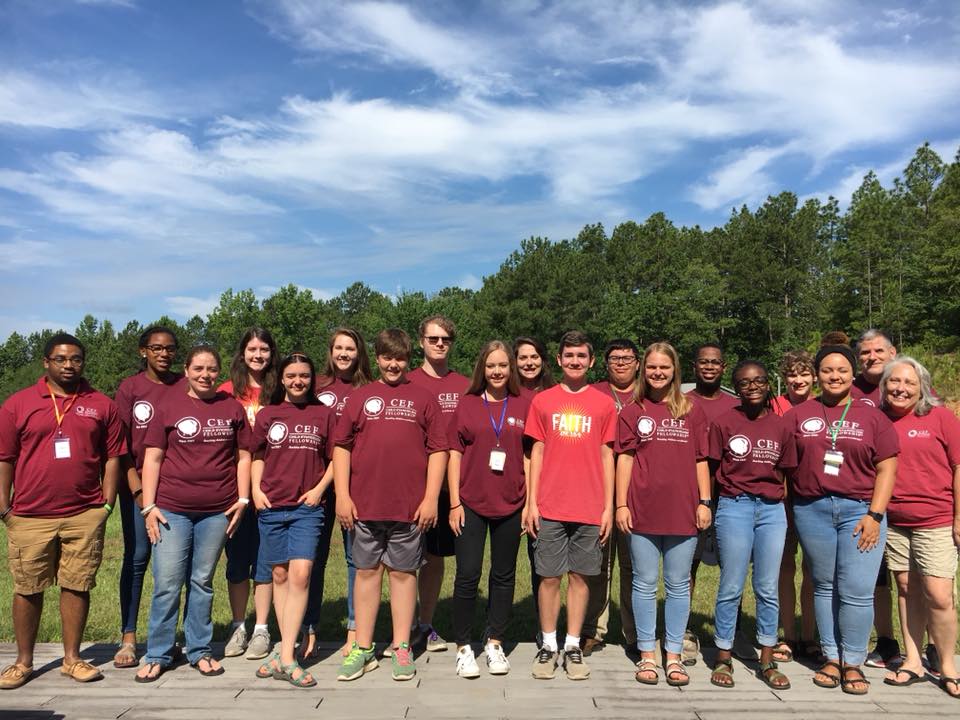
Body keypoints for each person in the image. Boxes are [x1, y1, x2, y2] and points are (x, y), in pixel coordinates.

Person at [0, 333, 125, 689]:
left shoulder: (101, 404)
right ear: (46, 362)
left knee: (77, 584)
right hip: (28, 513)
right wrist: (5, 507)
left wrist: (106, 503)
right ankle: (23, 662)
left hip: (84, 513)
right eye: (61, 359)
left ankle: (72, 659)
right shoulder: (19, 404)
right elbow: (4, 458)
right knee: (28, 587)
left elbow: (113, 456)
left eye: (76, 359)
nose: (69, 365)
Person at [333, 328, 447, 682]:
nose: (393, 364)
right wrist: (342, 494)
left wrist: (431, 498)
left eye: (399, 358)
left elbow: (439, 450)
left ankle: (401, 646)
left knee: (402, 574)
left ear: (408, 359)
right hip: (364, 505)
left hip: (409, 508)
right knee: (366, 574)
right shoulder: (360, 397)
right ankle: (364, 647)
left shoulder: (424, 398)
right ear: (377, 358)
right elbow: (341, 447)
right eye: (387, 357)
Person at [784, 344, 898, 695]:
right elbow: (785, 465)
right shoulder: (800, 414)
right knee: (824, 584)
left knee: (858, 591)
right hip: (812, 509)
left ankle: (854, 661)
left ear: (853, 374)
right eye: (828, 371)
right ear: (817, 375)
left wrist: (875, 515)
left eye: (842, 370)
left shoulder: (873, 415)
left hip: (860, 510)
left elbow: (887, 467)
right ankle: (831, 657)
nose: (835, 376)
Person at [135, 345, 251, 682]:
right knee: (168, 583)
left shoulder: (232, 407)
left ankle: (199, 650)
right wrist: (149, 506)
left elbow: (244, 456)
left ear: (220, 372)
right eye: (198, 368)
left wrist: (242, 500)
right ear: (186, 370)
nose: (205, 375)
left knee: (202, 582)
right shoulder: (167, 405)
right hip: (171, 510)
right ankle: (159, 651)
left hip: (217, 511)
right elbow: (152, 459)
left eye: (212, 369)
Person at [616, 342, 711, 687]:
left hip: (683, 511)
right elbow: (624, 458)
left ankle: (673, 654)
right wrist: (621, 504)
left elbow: (702, 459)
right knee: (642, 583)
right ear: (644, 369)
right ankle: (646, 654)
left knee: (678, 584)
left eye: (664, 368)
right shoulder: (632, 410)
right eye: (652, 367)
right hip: (641, 510)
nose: (658, 373)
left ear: (675, 371)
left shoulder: (691, 409)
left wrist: (705, 501)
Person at [524, 330, 616, 681]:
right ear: (559, 360)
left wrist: (607, 506)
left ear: (591, 362)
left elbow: (608, 454)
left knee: (581, 577)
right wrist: (532, 502)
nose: (575, 361)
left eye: (582, 356)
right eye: (569, 356)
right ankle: (548, 645)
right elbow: (537, 452)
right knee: (548, 577)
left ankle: (573, 644)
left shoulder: (604, 404)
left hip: (590, 507)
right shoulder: (543, 401)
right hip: (550, 506)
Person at [708, 360, 796, 691]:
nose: (753, 387)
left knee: (767, 586)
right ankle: (724, 656)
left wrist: (777, 509)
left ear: (767, 384)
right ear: (737, 387)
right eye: (745, 383)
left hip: (772, 510)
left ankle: (767, 658)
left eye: (759, 380)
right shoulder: (724, 423)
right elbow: (713, 469)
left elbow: (786, 474)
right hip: (734, 507)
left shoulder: (782, 426)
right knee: (731, 585)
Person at [249, 353, 336, 687]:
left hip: (307, 507)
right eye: (292, 375)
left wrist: (319, 490)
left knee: (301, 575)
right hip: (271, 505)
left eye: (304, 375)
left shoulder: (324, 414)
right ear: (281, 379)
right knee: (280, 575)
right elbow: (257, 455)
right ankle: (286, 651)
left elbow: (336, 457)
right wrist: (256, 490)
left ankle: (286, 657)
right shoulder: (269, 415)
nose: (298, 381)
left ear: (311, 379)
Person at [448, 340, 531, 678]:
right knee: (468, 575)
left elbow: (530, 455)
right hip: (471, 502)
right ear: (482, 369)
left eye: (503, 366)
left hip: (511, 503)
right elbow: (454, 454)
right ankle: (464, 646)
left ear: (511, 369)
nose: (497, 371)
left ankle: (495, 641)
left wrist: (530, 502)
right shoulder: (466, 404)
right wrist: (453, 502)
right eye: (491, 366)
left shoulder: (524, 404)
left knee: (503, 575)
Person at [878, 357, 960, 698]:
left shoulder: (940, 418)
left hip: (937, 519)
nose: (901, 388)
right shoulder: (878, 420)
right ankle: (911, 661)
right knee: (907, 588)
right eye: (894, 382)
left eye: (909, 383)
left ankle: (948, 666)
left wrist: (959, 517)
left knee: (939, 595)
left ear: (922, 387)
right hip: (894, 521)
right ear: (884, 387)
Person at [300, 327, 373, 659]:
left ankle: (355, 630)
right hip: (314, 488)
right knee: (310, 560)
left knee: (354, 560)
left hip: (353, 487)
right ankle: (308, 630)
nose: (344, 354)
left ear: (359, 353)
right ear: (330, 351)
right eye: (339, 348)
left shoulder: (369, 390)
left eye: (351, 348)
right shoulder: (315, 387)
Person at [112, 325, 183, 669]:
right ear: (143, 351)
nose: (164, 354)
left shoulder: (184, 386)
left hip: (177, 489)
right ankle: (128, 636)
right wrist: (139, 491)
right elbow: (120, 447)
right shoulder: (131, 389)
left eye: (170, 348)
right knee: (138, 557)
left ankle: (172, 637)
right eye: (156, 348)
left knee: (174, 566)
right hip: (139, 489)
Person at [407, 315, 469, 653]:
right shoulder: (407, 381)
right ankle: (401, 628)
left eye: (446, 339)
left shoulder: (464, 384)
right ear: (421, 342)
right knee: (401, 559)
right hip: (412, 483)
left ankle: (426, 624)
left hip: (452, 488)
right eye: (433, 339)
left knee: (435, 556)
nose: (440, 344)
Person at [220, 327, 279, 661]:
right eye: (252, 349)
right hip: (234, 488)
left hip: (274, 487)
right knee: (238, 561)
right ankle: (239, 625)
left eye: (264, 349)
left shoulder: (280, 390)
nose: (258, 355)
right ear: (242, 353)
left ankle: (262, 629)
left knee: (267, 562)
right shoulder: (227, 392)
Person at [583, 339, 640, 655]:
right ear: (605, 362)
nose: (621, 363)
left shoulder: (648, 394)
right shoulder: (595, 394)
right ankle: (593, 629)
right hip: (598, 490)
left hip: (636, 493)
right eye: (615, 358)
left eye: (627, 358)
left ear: (637, 362)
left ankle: (634, 632)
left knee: (633, 566)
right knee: (597, 564)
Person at [684, 343, 739, 664]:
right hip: (692, 498)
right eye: (703, 362)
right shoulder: (683, 402)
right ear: (694, 366)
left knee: (731, 568)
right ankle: (684, 629)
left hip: (731, 497)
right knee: (686, 566)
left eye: (715, 362)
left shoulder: (735, 404)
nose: (708, 367)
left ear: (723, 366)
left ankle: (730, 631)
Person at [850, 329, 901, 669]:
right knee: (876, 578)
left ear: (893, 352)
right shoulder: (851, 390)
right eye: (865, 352)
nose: (871, 357)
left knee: (918, 582)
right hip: (867, 499)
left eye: (878, 351)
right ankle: (885, 640)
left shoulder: (907, 382)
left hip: (913, 497)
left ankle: (926, 647)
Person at [770, 350, 818, 664]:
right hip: (780, 500)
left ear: (814, 377)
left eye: (803, 374)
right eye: (791, 375)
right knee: (783, 569)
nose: (797, 380)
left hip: (814, 499)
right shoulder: (774, 406)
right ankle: (787, 635)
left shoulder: (824, 406)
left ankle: (810, 636)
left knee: (813, 571)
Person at [513, 336, 554, 624]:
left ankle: (544, 627)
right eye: (523, 358)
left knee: (540, 561)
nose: (529, 363)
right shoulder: (508, 394)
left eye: (534, 357)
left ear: (543, 360)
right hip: (507, 486)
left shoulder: (553, 395)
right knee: (502, 562)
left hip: (543, 488)